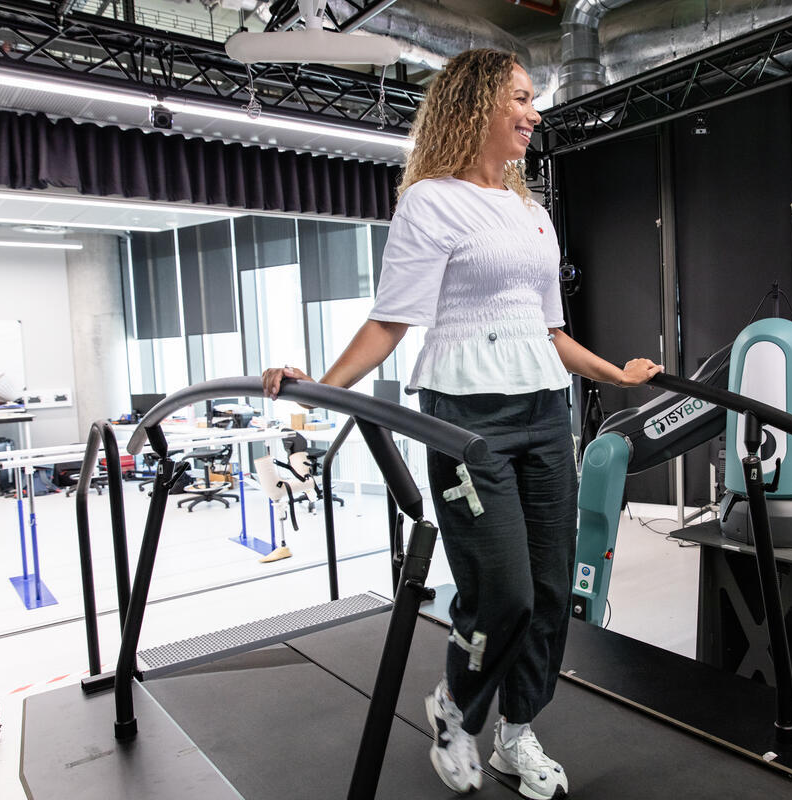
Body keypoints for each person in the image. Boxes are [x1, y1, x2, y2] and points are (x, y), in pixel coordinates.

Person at [262, 48, 661, 799]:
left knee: (550, 592)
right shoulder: (429, 202)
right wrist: (325, 385)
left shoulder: (531, 215)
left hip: (544, 413)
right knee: (502, 589)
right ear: (476, 103)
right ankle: (456, 707)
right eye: (520, 96)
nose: (535, 112)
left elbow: (549, 331)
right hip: (466, 419)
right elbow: (391, 321)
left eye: (534, 99)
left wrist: (616, 374)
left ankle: (516, 732)